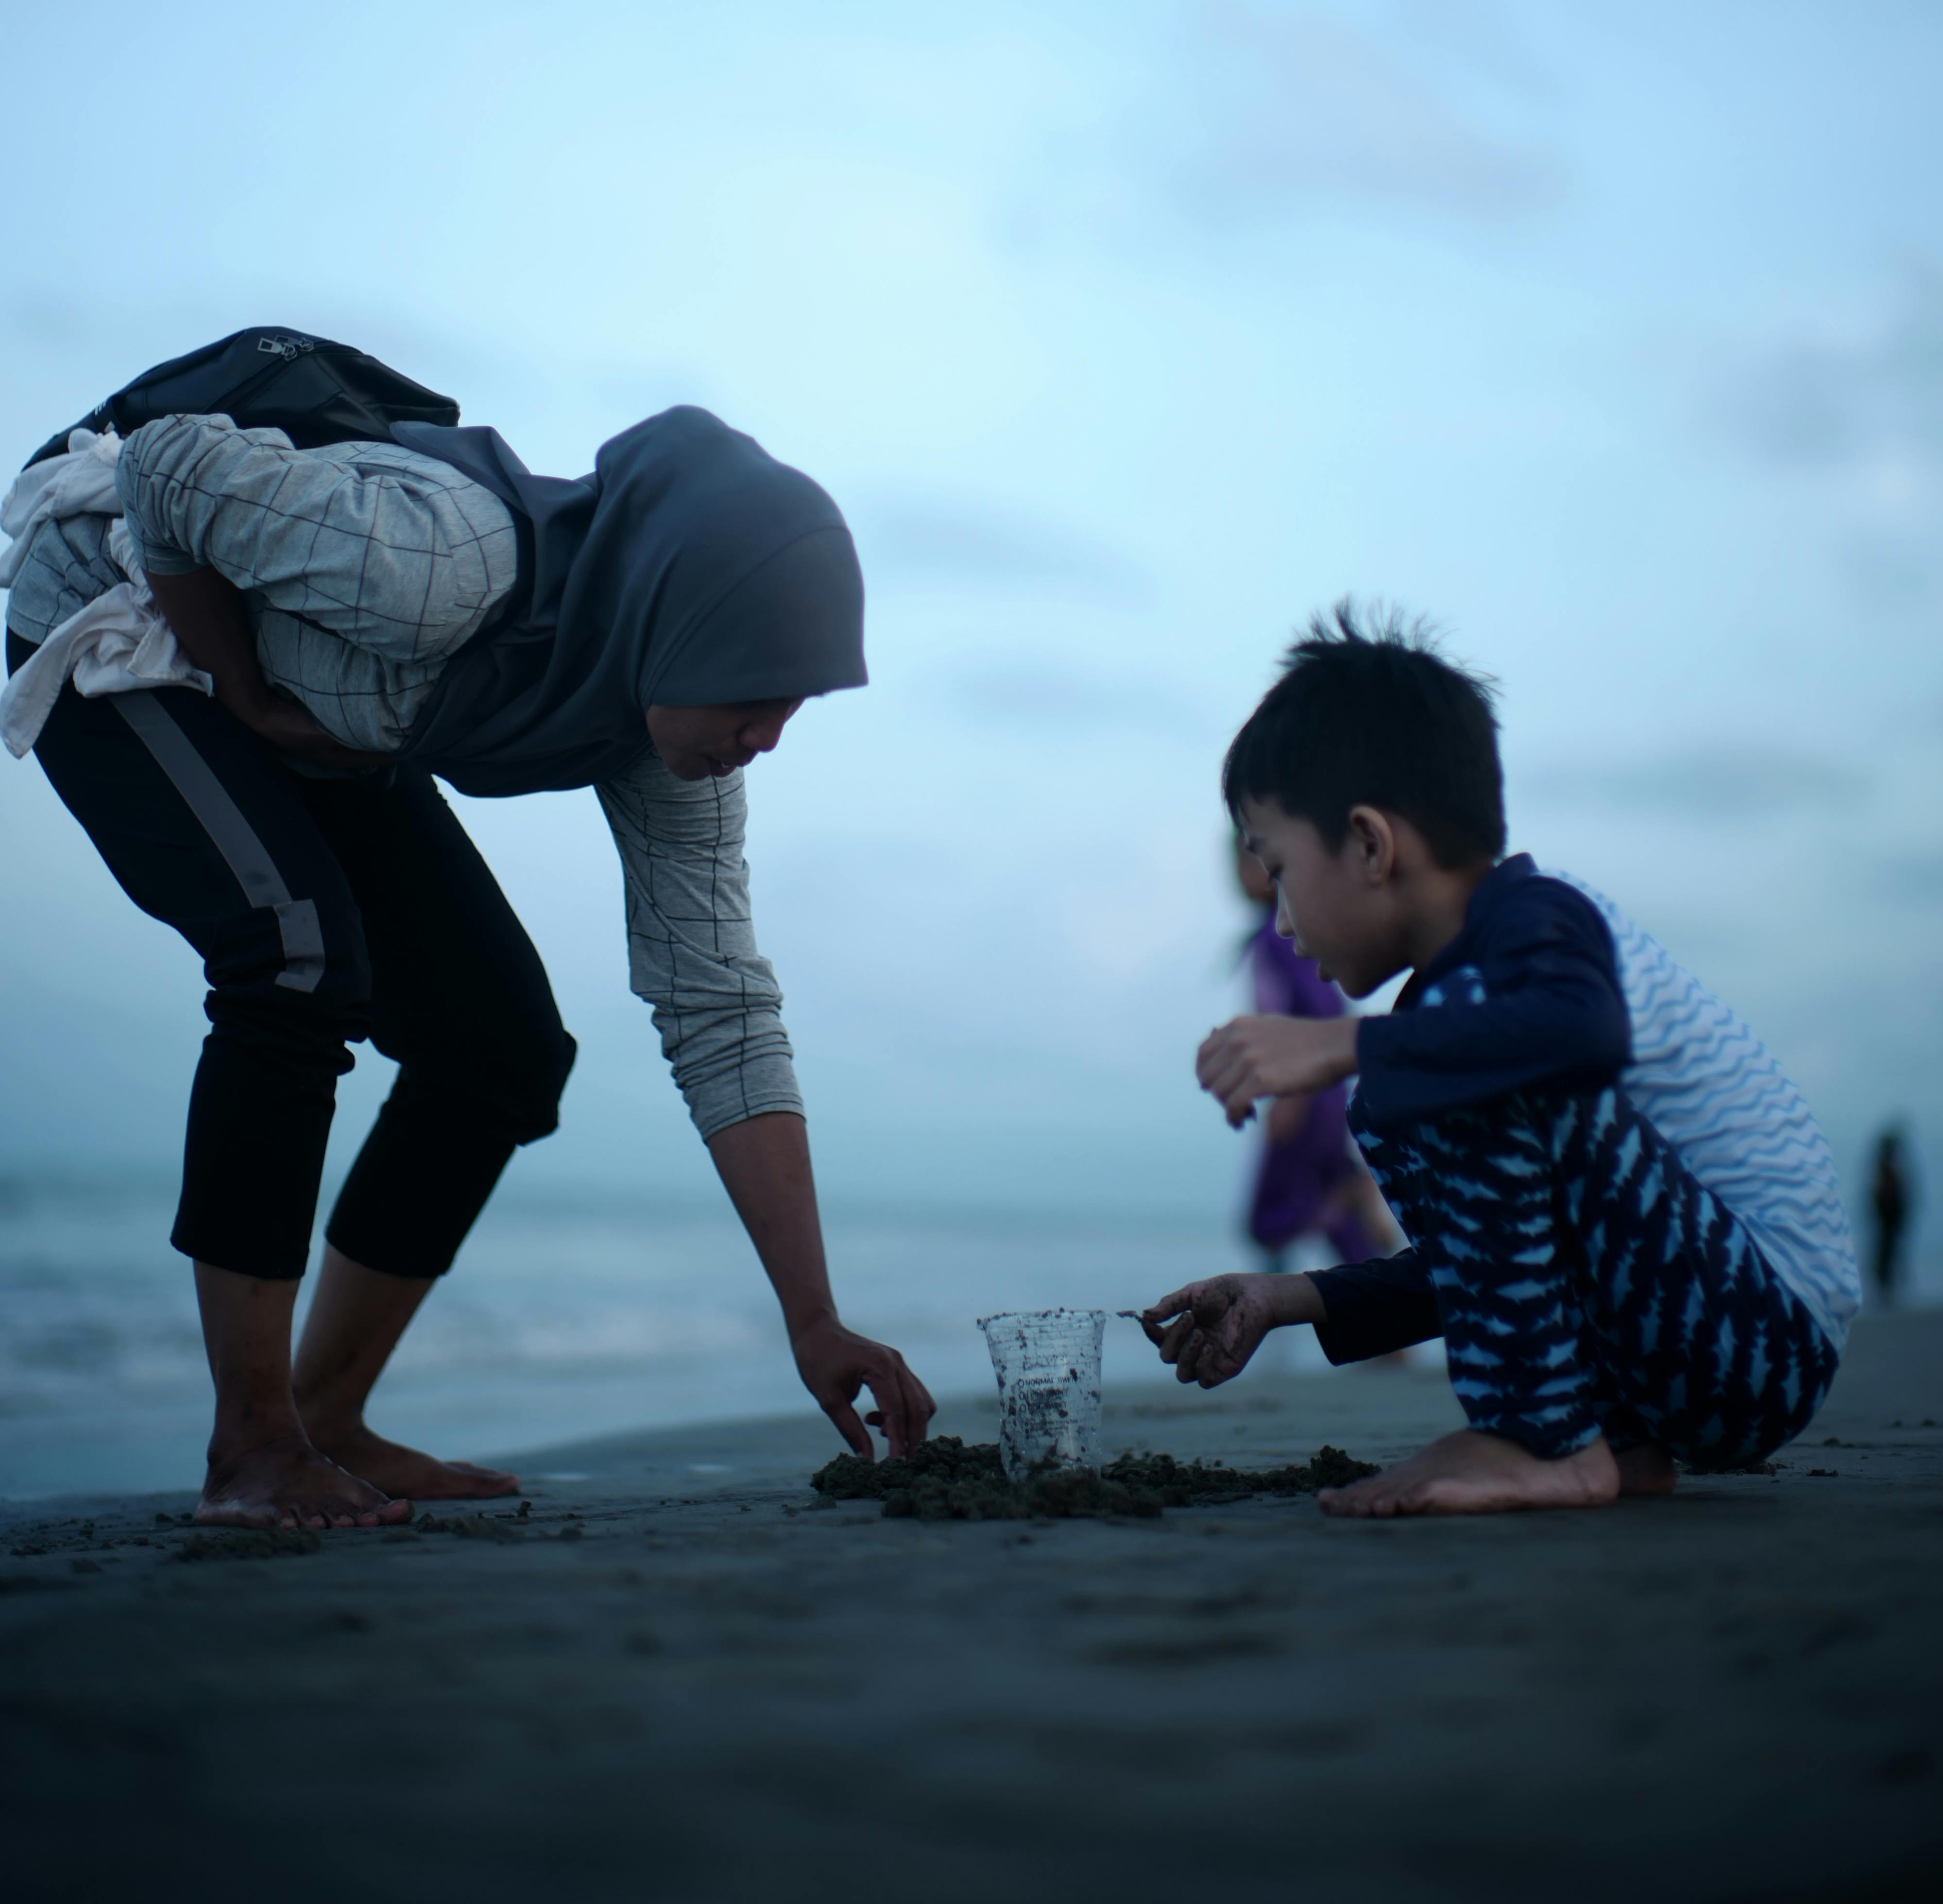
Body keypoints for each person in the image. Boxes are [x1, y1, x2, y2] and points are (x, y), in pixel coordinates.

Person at [3, 370, 934, 1530]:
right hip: (121, 613)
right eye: (753, 695)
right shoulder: (433, 569)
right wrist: (238, 684)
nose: (766, 737)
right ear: (676, 629)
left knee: (498, 1048)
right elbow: (164, 465)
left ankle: (327, 1419)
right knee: (294, 958)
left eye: (793, 706)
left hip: (325, 705)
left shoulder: (671, 741)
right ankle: (252, 1447)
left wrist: (814, 1320)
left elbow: (720, 1010)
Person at [1141, 607, 1860, 1517]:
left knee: (1428, 1069)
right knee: (1412, 1078)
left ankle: (1543, 1440)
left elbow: (1580, 1035)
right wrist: (1288, 1296)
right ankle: (1607, 1442)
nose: (1279, 920)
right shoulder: (1457, 1009)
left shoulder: (1542, 921)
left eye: (1279, 869)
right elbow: (1490, 1254)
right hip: (1696, 1348)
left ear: (1369, 844)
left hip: (1764, 1335)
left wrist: (1342, 1041)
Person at [1232, 837, 1389, 1270]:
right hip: (1320, 1093)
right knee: (1349, 1245)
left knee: (1269, 1220)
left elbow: (1317, 1009)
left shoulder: (1277, 936)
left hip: (1307, 1094)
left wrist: (1291, 1096)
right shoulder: (1280, 934)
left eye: (1250, 864)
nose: (1239, 877)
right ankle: (1350, 1196)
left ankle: (1348, 1195)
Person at [1868, 1127, 1913, 1302]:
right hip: (1888, 1218)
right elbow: (1885, 1197)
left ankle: (1887, 1289)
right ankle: (1886, 1289)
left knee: (1887, 1250)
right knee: (1887, 1250)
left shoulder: (1885, 1169)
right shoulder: (1887, 1170)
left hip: (1888, 1218)